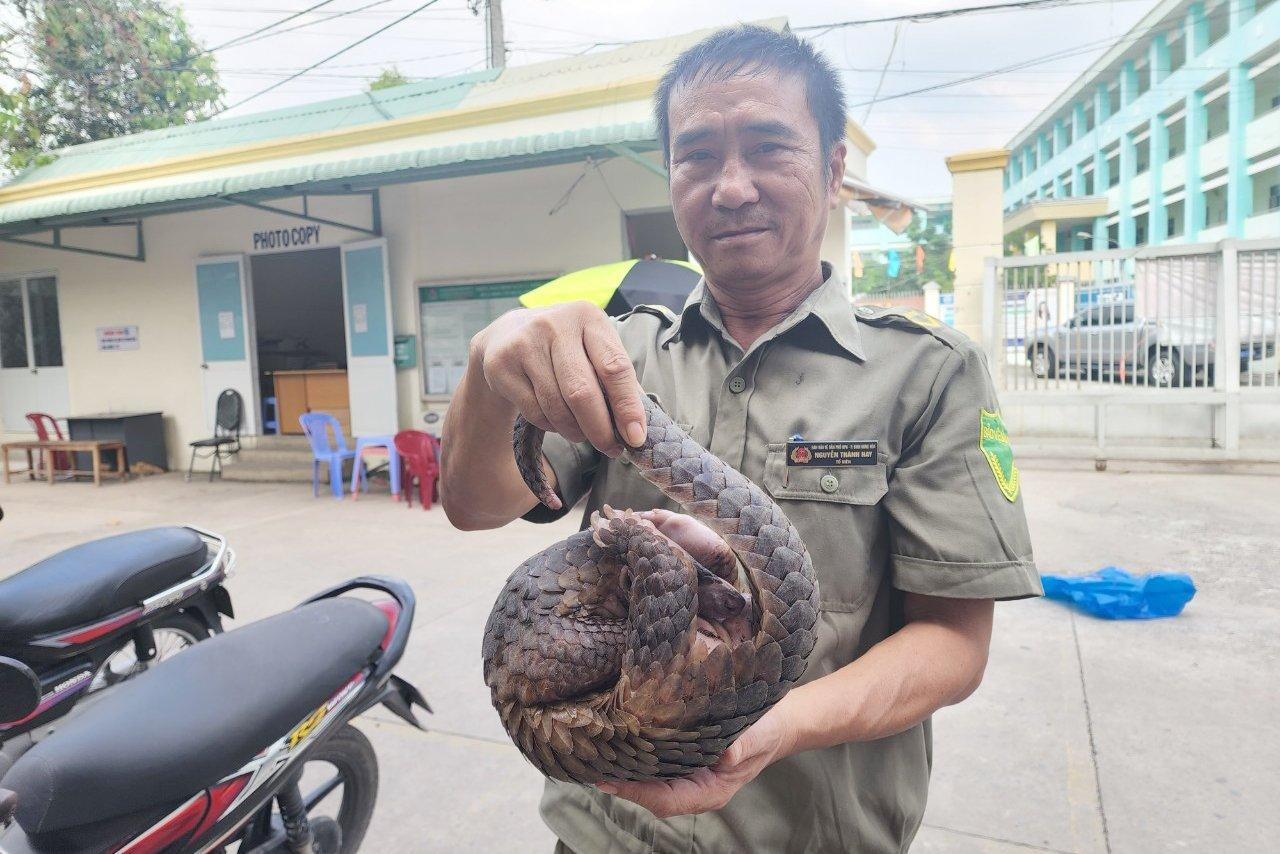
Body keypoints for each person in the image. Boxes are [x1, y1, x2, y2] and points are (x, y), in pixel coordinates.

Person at [442, 24, 1041, 854]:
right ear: (671, 177)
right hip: (604, 833)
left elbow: (953, 644)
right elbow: (474, 506)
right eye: (696, 157)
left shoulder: (925, 372)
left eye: (768, 147)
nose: (730, 188)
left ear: (833, 170)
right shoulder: (616, 353)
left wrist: (764, 724)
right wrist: (486, 364)